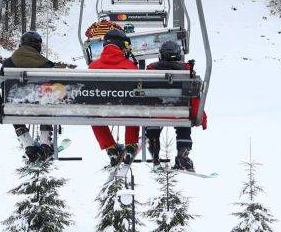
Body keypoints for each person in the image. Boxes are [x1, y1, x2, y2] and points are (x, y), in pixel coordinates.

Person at [144, 40, 208, 171]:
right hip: (181, 113)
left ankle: (155, 153)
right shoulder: (187, 71)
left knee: (153, 124)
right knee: (184, 126)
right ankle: (182, 156)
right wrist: (200, 116)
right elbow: (195, 97)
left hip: (155, 111)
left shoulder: (150, 69)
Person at [2, 31, 58, 162]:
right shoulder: (47, 65)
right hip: (42, 107)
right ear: (38, 47)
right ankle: (45, 143)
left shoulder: (7, 64)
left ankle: (28, 145)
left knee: (13, 104)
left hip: (13, 108)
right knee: (48, 103)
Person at [89, 28, 139, 166]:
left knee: (92, 110)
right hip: (126, 111)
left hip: (101, 111)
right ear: (122, 46)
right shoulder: (130, 67)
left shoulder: (93, 67)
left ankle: (110, 147)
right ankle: (130, 144)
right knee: (134, 105)